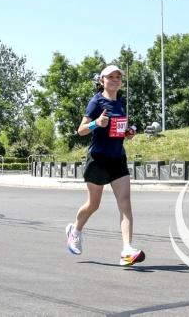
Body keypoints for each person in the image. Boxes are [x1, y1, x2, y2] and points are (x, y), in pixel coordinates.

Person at [65, 64, 143, 266]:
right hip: (98, 159)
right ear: (102, 81)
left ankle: (127, 250)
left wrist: (127, 133)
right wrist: (96, 123)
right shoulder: (96, 101)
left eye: (118, 77)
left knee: (125, 203)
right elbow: (81, 130)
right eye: (111, 77)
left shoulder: (121, 103)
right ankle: (75, 230)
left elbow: (117, 131)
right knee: (94, 204)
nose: (115, 80)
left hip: (118, 158)